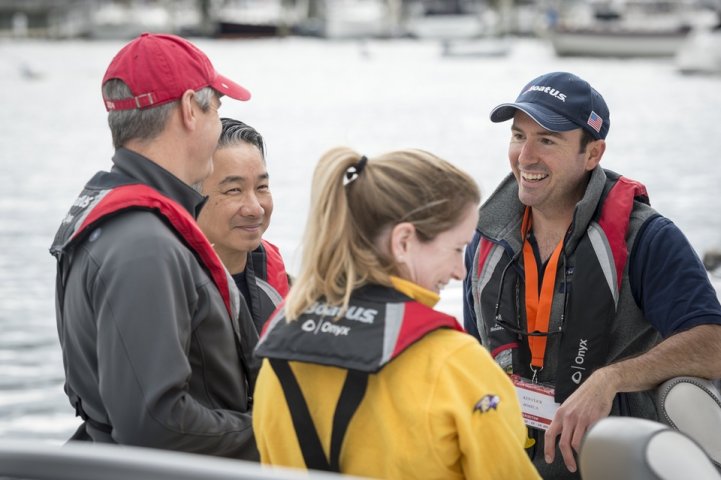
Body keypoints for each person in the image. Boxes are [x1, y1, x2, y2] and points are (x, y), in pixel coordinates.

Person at [463, 71, 721, 478]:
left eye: (547, 140)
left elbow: (713, 344)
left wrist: (611, 379)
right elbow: (471, 357)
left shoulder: (648, 238)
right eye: (517, 136)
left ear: (592, 154)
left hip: (615, 460)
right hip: (512, 459)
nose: (525, 156)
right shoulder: (484, 241)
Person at [252, 147, 540, 479]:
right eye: (457, 248)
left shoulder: (279, 345)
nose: (461, 271)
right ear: (404, 241)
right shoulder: (455, 362)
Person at [49, 33, 259, 459]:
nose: (219, 125)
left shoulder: (113, 219)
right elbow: (155, 424)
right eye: (217, 109)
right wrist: (279, 431)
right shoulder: (145, 244)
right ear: (188, 111)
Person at [198, 118, 289, 334]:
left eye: (262, 187)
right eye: (234, 190)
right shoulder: (173, 281)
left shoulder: (270, 268)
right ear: (190, 194)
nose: (255, 209)